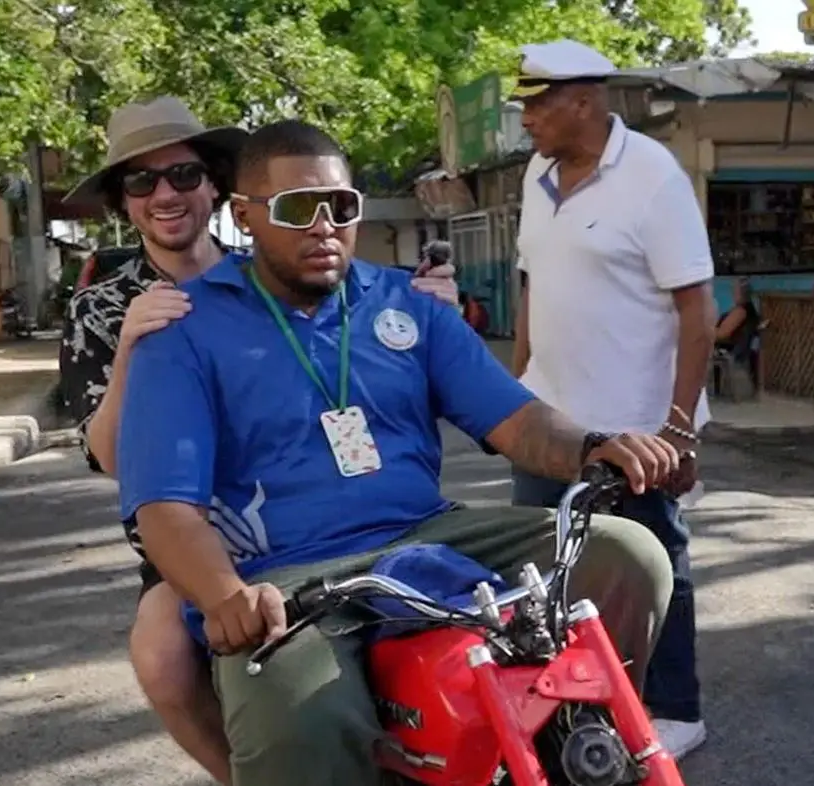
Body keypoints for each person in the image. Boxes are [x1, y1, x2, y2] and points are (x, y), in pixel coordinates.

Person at [116, 118, 679, 786]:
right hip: (285, 574)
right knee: (305, 722)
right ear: (245, 216)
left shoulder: (406, 306)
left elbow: (517, 420)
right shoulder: (184, 328)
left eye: (342, 207)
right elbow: (165, 507)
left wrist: (594, 449)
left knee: (628, 554)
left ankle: (582, 732)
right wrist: (224, 595)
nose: (324, 226)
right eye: (298, 209)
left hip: (426, 531)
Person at [58, 98, 461, 785]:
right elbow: (107, 457)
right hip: (192, 545)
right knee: (160, 656)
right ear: (121, 199)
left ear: (219, 187)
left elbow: (356, 342)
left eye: (184, 175)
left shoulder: (269, 267)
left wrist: (423, 315)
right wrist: (129, 351)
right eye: (140, 182)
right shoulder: (100, 305)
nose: (165, 195)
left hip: (315, 512)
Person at [506, 39, 714, 760]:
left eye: (537, 104)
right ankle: (575, 701)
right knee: (546, 569)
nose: (525, 119)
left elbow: (697, 309)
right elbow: (533, 284)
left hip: (637, 425)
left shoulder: (654, 177)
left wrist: (679, 431)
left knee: (654, 564)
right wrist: (517, 385)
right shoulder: (537, 175)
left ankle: (675, 707)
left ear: (586, 103)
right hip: (551, 420)